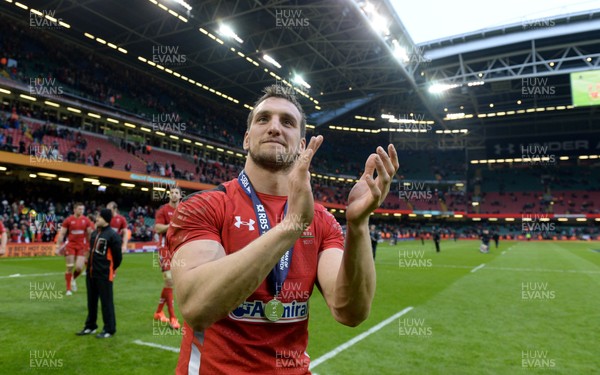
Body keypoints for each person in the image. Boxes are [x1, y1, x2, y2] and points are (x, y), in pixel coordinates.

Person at [167, 85, 398, 373]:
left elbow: (350, 311)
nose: (274, 128)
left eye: (287, 122)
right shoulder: (204, 206)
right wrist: (291, 227)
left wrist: (359, 225)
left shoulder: (322, 221)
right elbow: (196, 307)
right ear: (247, 139)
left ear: (302, 146)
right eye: (263, 119)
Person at [76, 209, 122, 338]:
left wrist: (111, 269)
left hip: (104, 274)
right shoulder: (95, 233)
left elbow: (118, 258)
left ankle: (109, 329)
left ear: (106, 219)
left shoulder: (113, 235)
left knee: (106, 302)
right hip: (91, 273)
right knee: (91, 302)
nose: (97, 219)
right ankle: (90, 326)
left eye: (99, 217)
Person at [153, 186, 182, 330]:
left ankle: (158, 312)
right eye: (172, 193)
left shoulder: (183, 210)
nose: (174, 195)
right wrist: (173, 224)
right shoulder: (163, 210)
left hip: (178, 250)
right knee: (169, 281)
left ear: (180, 195)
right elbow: (158, 228)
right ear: (169, 195)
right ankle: (173, 319)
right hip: (164, 250)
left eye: (176, 193)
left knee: (170, 283)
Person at [55, 203, 94, 295]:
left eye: (83, 209)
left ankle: (72, 278)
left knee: (79, 268)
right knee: (70, 266)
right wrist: (57, 246)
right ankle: (68, 289)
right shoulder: (68, 220)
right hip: (71, 246)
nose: (81, 211)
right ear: (75, 209)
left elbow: (89, 234)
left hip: (81, 246)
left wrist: (91, 245)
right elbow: (62, 234)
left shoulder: (86, 220)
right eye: (80, 209)